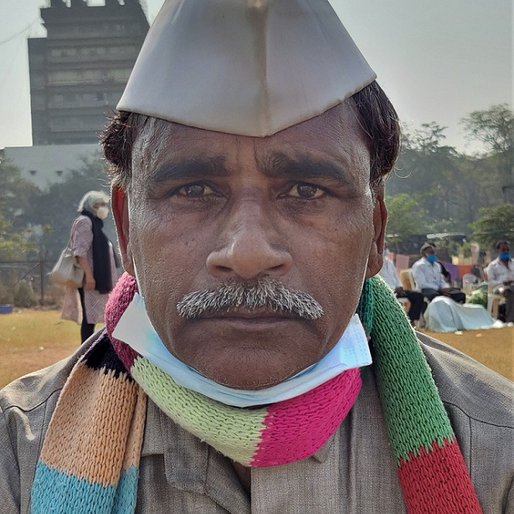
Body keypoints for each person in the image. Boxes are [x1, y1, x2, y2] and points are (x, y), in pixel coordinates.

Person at [1, 1, 512, 513]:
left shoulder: (498, 453)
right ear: (128, 229)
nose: (247, 254)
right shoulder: (14, 457)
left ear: (376, 232)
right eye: (194, 189)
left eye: (307, 191)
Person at [62, 190, 120, 342]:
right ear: (92, 206)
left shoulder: (95, 223)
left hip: (98, 278)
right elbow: (80, 252)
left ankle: (93, 349)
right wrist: (89, 276)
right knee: (89, 318)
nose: (103, 207)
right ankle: (85, 351)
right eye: (100, 204)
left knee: (95, 317)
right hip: (91, 279)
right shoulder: (84, 222)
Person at [378, 248, 425, 325]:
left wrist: (400, 287)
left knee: (418, 296)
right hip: (385, 291)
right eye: (384, 247)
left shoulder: (390, 262)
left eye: (386, 247)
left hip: (396, 290)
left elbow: (396, 277)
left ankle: (411, 320)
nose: (386, 250)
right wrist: (391, 289)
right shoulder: (375, 262)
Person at [485, 240, 514, 322]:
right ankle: (511, 320)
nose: (506, 252)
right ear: (498, 251)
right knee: (510, 292)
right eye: (503, 250)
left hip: (512, 286)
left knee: (512, 289)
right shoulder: (492, 265)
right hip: (499, 288)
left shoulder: (513, 263)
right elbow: (490, 282)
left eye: (507, 250)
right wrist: (503, 282)